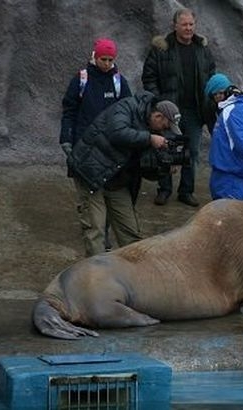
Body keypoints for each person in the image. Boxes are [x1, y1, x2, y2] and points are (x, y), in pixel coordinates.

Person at [67, 92, 176, 256]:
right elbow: (117, 133)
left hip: (117, 179)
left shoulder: (153, 131)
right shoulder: (126, 107)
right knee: (96, 230)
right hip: (91, 172)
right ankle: (96, 278)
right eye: (166, 126)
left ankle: (135, 274)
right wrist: (149, 139)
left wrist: (164, 168)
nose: (165, 131)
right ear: (158, 116)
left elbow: (144, 167)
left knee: (130, 232)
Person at [60, 38, 132, 252]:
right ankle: (95, 241)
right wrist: (66, 138)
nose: (107, 63)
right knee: (90, 200)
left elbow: (128, 110)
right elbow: (69, 111)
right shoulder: (81, 79)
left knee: (108, 194)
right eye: (103, 59)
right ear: (95, 56)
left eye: (111, 59)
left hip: (110, 151)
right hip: (84, 150)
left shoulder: (119, 82)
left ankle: (104, 237)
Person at [141, 8, 216, 207]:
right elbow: (149, 77)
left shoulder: (202, 49)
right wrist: (158, 102)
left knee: (191, 151)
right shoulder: (161, 49)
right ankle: (164, 189)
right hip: (168, 111)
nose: (188, 28)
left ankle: (186, 191)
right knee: (165, 150)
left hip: (195, 110)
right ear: (175, 25)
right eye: (184, 24)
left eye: (191, 24)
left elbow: (211, 75)